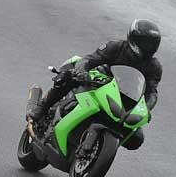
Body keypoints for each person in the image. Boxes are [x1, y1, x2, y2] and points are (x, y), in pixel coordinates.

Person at [28, 19, 162, 149]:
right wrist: (81, 73)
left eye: (151, 44)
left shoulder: (154, 67)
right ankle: (42, 107)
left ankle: (99, 146)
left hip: (123, 97)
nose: (147, 48)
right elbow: (90, 59)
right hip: (100, 81)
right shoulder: (116, 47)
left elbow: (152, 92)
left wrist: (147, 108)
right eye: (145, 43)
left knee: (137, 138)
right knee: (68, 77)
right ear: (133, 39)